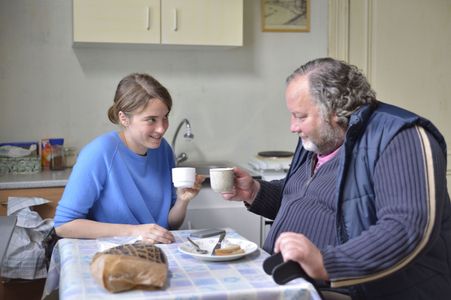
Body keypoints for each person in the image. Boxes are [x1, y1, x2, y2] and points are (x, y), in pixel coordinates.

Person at [222, 58, 451, 299]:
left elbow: (405, 227)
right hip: (296, 285)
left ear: (334, 111)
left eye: (300, 116)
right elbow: (307, 197)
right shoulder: (319, 140)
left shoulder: (400, 137)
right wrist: (255, 191)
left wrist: (326, 263)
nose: (293, 127)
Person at [54, 73, 203, 244]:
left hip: (156, 252)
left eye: (165, 117)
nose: (162, 129)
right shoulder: (99, 152)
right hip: (111, 255)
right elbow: (64, 225)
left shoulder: (163, 150)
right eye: (151, 120)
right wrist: (135, 231)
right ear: (124, 118)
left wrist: (182, 202)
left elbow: (170, 224)